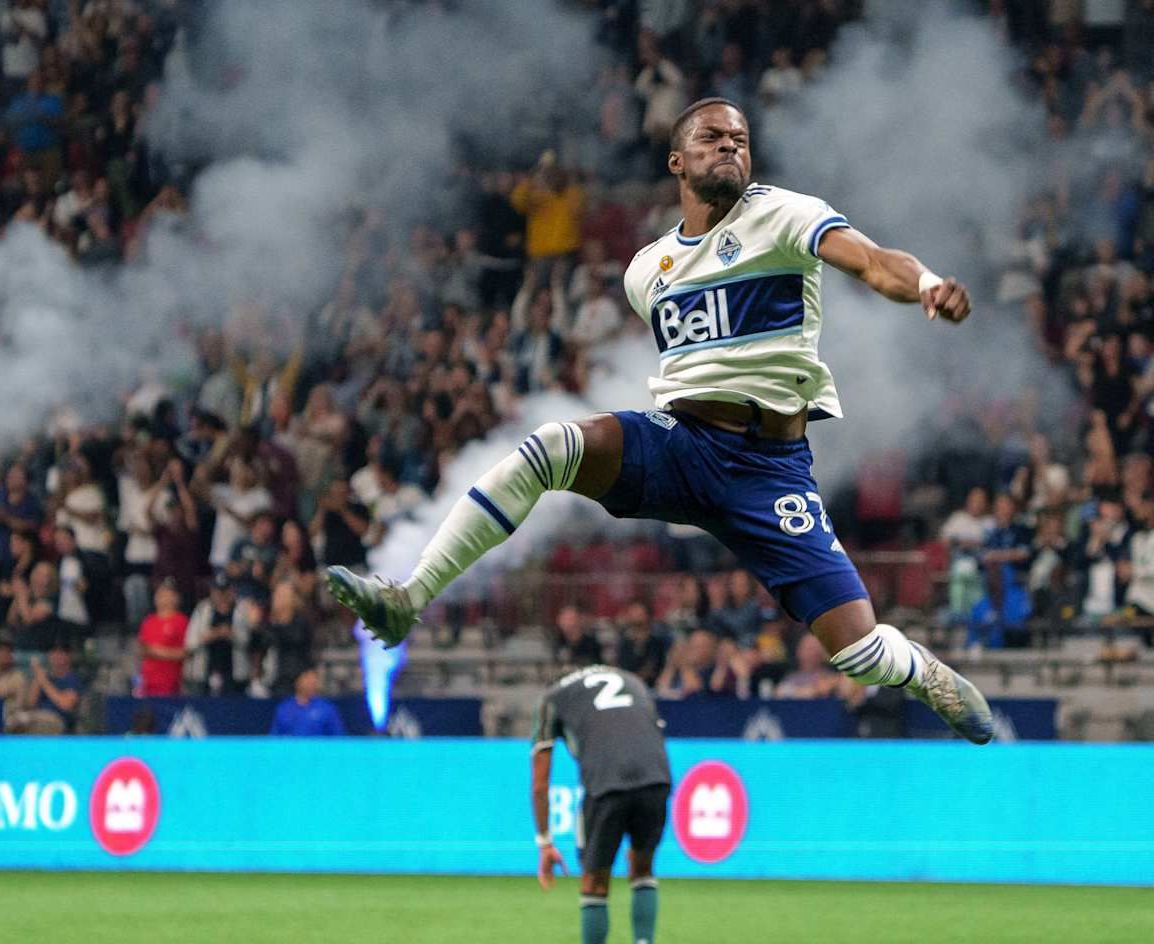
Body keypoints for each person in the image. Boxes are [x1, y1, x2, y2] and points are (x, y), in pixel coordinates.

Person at [327, 97, 994, 745]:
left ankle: (925, 674)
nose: (730, 144)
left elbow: (875, 262)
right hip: (683, 444)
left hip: (768, 470)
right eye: (711, 137)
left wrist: (929, 284)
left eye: (739, 137)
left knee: (856, 649)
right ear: (677, 162)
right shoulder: (646, 271)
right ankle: (408, 598)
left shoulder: (785, 214)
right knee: (551, 447)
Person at [530, 664, 671, 944]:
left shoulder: (553, 697)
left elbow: (540, 781)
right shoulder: (633, 679)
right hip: (657, 777)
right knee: (642, 868)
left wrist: (545, 841)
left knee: (594, 883)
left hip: (608, 783)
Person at [136, 578, 189, 697]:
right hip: (148, 682)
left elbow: (185, 652)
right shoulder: (148, 621)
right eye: (160, 594)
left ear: (176, 598)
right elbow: (142, 649)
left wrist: (155, 651)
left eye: (167, 594)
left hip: (171, 683)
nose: (163, 598)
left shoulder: (181, 621)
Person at [270, 665, 345, 736]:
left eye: (314, 679)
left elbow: (338, 737)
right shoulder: (284, 708)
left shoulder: (327, 708)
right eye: (307, 678)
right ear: (297, 681)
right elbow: (275, 738)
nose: (312, 683)